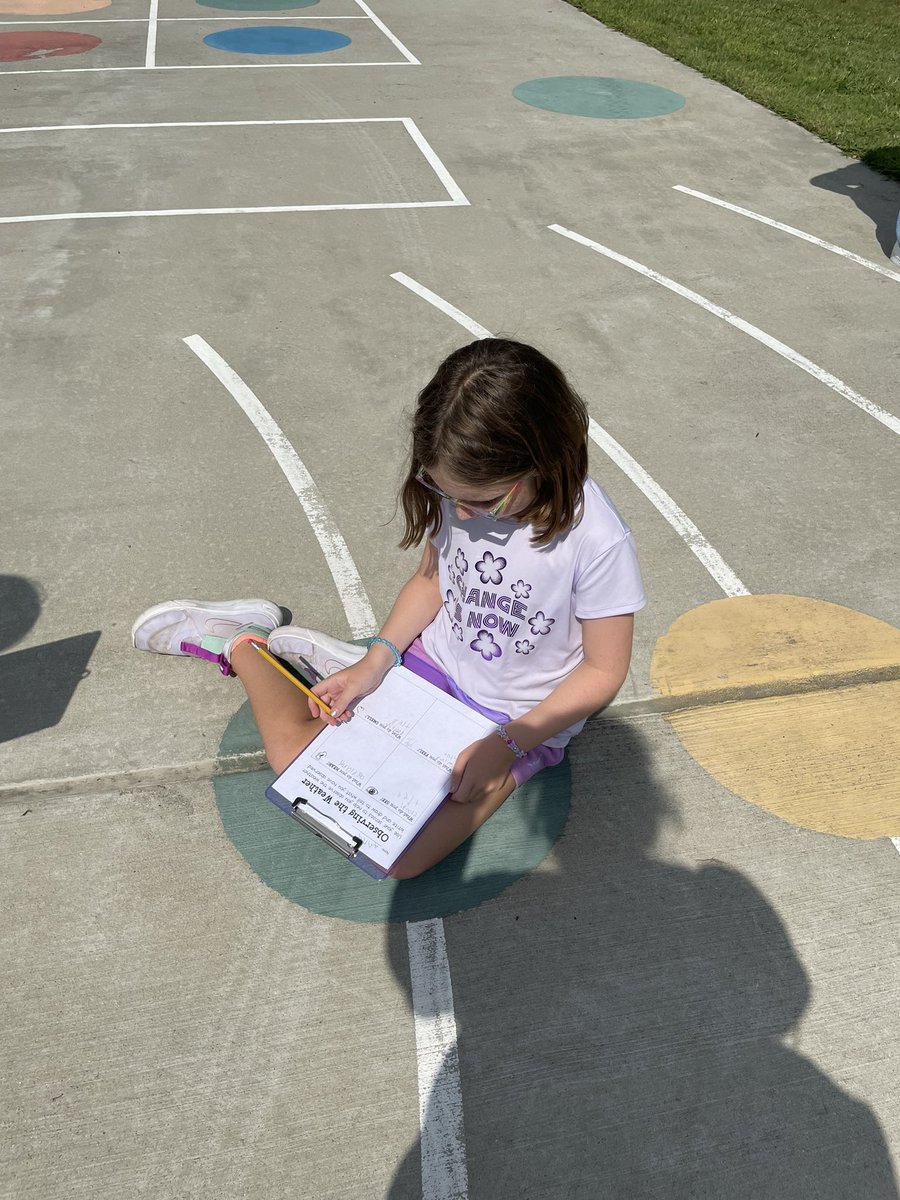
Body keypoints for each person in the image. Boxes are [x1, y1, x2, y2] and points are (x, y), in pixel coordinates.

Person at [132, 339, 646, 877]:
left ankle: (290, 656)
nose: (465, 515)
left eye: (484, 501)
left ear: (546, 458)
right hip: (433, 669)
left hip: (518, 719)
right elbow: (430, 582)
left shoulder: (597, 539)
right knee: (299, 773)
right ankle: (243, 641)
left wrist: (509, 742)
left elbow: (603, 670)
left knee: (398, 858)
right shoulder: (459, 496)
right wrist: (375, 662)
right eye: (447, 494)